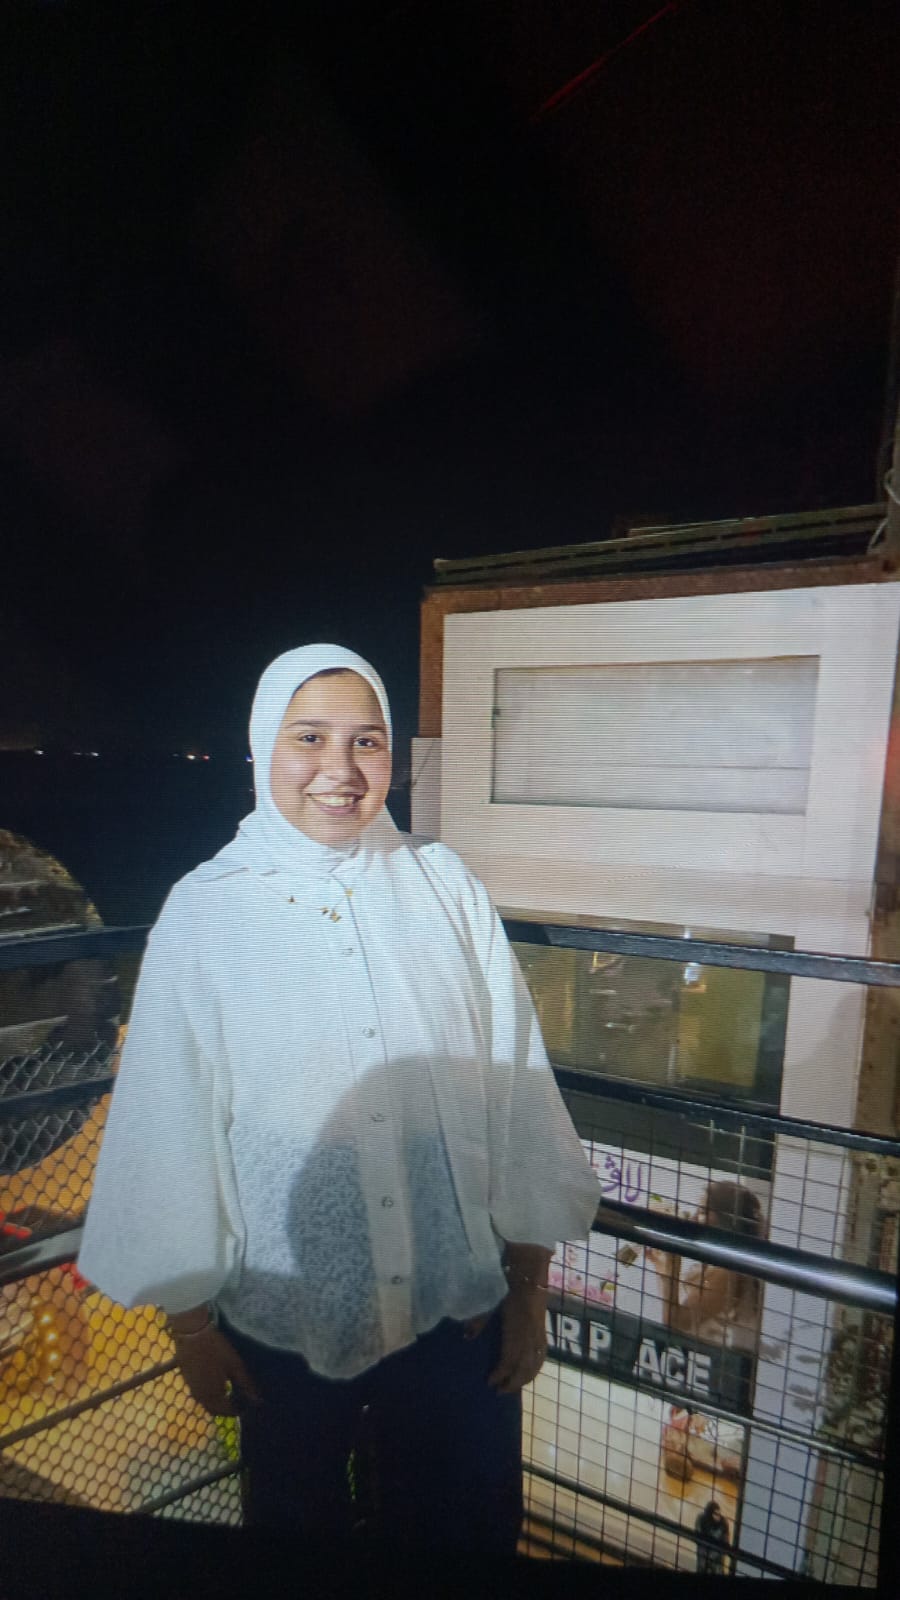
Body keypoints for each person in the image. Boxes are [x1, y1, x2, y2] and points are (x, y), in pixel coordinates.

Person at [78, 644, 600, 1556]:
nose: (341, 769)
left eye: (367, 741)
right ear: (260, 747)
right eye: (309, 737)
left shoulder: (443, 887)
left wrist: (527, 1285)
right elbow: (171, 1118)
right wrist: (189, 1324)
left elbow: (513, 1079)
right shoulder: (207, 912)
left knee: (464, 1537)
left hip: (455, 1316)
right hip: (287, 1332)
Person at [647, 1180, 764, 1351]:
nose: (694, 1218)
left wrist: (673, 1259)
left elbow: (674, 1323)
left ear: (726, 1220)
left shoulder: (728, 1274)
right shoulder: (718, 1265)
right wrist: (663, 1269)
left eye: (702, 1211)